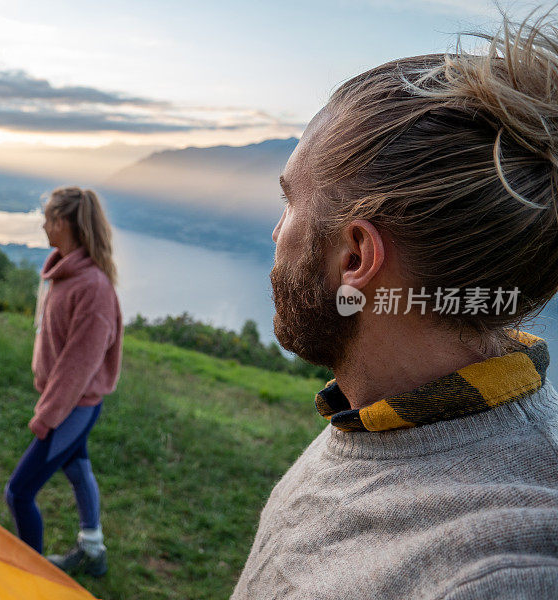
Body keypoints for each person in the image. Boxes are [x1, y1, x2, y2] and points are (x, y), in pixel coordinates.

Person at [233, 13, 558, 600]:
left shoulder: (499, 574)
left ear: (355, 256)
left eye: (291, 203)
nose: (276, 232)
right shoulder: (384, 412)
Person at [5, 186, 123, 578]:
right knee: (77, 470)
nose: (42, 224)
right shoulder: (62, 271)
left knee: (19, 493)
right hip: (66, 402)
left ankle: (30, 579)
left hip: (73, 407)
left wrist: (47, 416)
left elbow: (78, 367)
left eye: (48, 218)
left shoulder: (93, 288)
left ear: (64, 223)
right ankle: (93, 549)